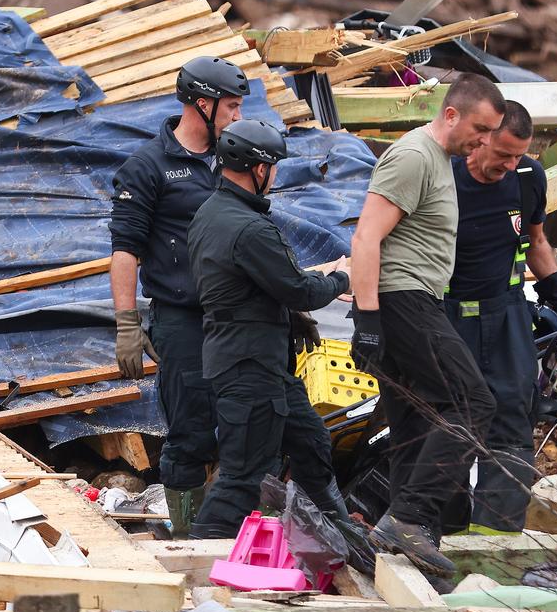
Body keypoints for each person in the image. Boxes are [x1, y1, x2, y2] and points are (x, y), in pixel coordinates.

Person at [184, 120, 372, 567]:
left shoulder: (211, 213)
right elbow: (298, 289)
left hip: (258, 363)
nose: (274, 174)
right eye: (271, 166)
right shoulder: (249, 228)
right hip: (249, 367)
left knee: (310, 443)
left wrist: (290, 317)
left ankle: (338, 536)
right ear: (257, 168)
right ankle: (194, 557)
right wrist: (345, 277)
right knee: (244, 475)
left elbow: (253, 286)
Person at [348, 72, 504, 578]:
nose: (484, 140)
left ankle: (404, 541)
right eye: (480, 129)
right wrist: (368, 318)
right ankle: (408, 521)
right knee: (471, 403)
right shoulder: (415, 157)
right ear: (452, 113)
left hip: (408, 299)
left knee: (415, 420)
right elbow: (366, 237)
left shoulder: (438, 162)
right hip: (400, 298)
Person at [446, 101, 557, 533]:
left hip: (506, 316)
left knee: (513, 421)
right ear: (479, 139)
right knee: (447, 423)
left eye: (518, 155)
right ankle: (436, 533)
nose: (509, 164)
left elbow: (536, 241)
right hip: (449, 316)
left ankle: (494, 537)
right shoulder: (441, 175)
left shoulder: (526, 178)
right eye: (502, 154)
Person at [109, 55, 249, 536]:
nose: (238, 117)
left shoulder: (236, 156)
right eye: (231, 107)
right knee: (189, 432)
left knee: (246, 427)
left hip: (238, 317)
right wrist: (127, 323)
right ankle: (191, 536)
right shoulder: (148, 168)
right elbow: (125, 250)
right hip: (183, 319)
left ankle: (234, 530)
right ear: (203, 104)